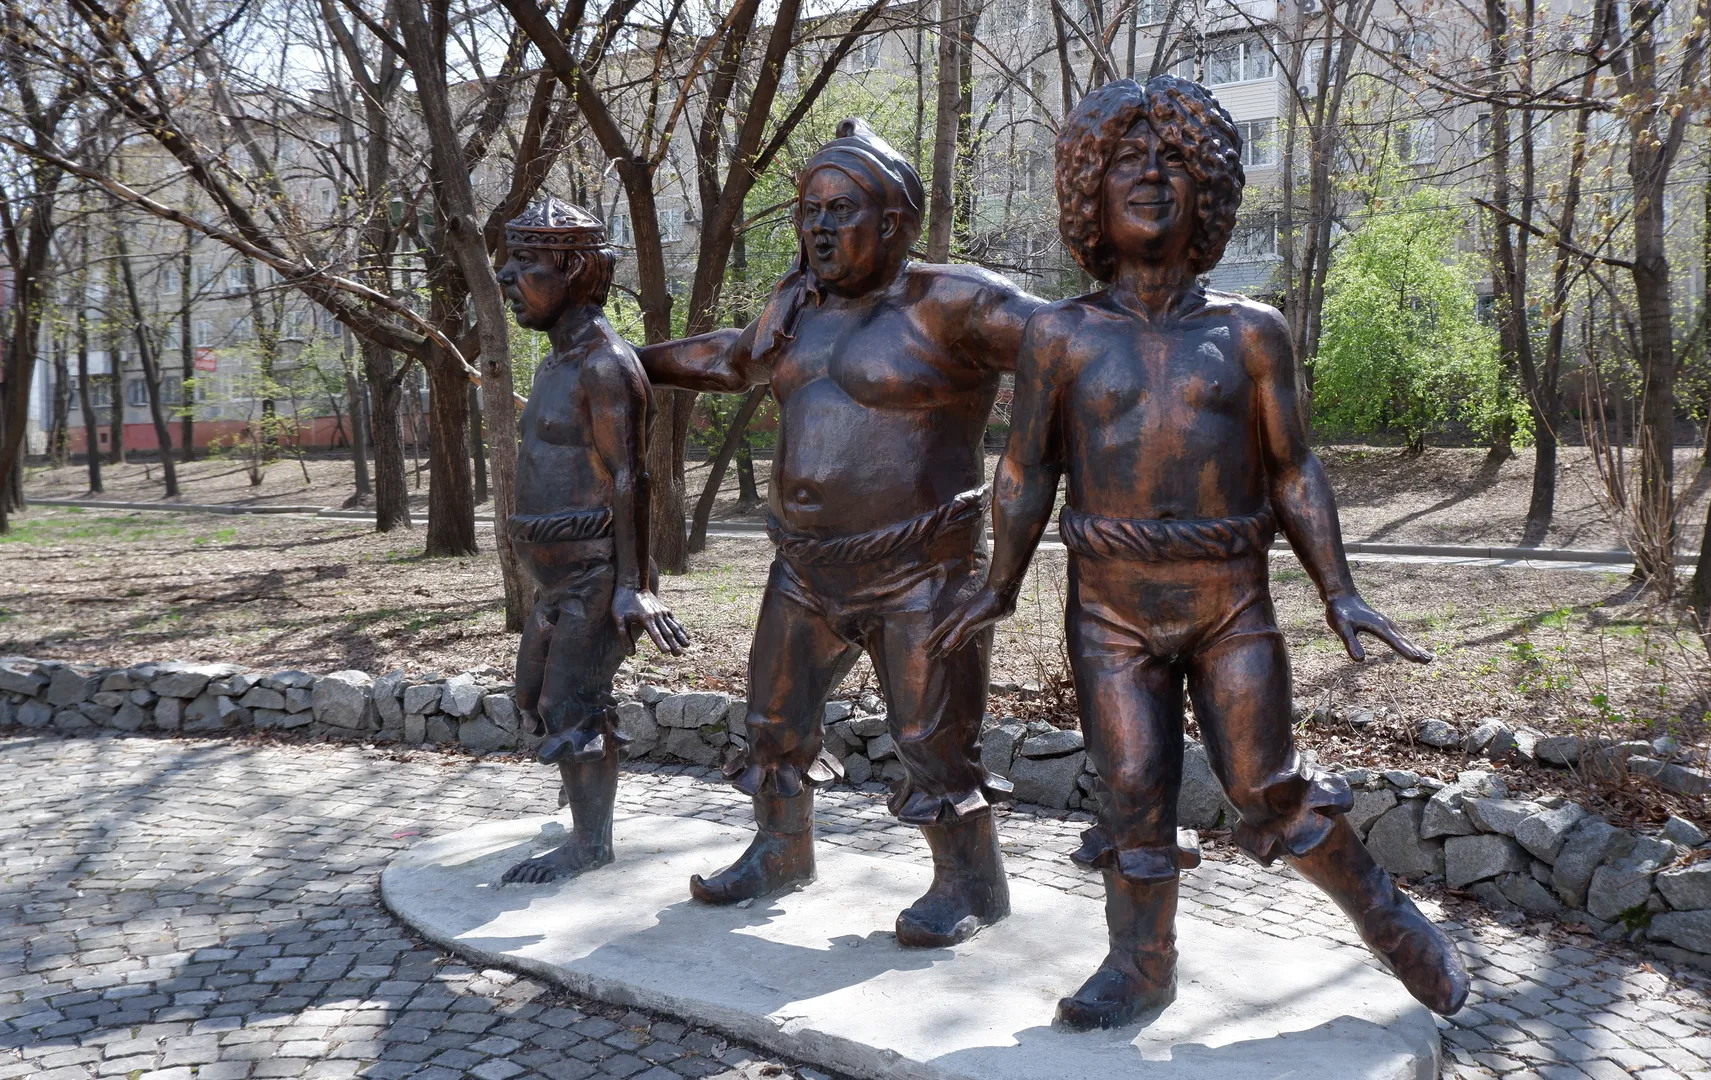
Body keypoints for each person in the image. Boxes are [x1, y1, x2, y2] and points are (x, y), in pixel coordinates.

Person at [928, 76, 1469, 1028]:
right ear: (1088, 192)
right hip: (1110, 607)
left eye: (1174, 159)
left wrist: (1338, 589)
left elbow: (1293, 467)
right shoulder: (1059, 335)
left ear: (1209, 189)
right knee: (1132, 791)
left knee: (1266, 783)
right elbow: (1025, 468)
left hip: (1229, 601)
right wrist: (998, 583)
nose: (1150, 175)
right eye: (1125, 161)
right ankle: (1141, 965)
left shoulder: (1250, 332)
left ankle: (1391, 922)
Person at [636, 119, 1047, 947]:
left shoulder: (953, 301)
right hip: (804, 567)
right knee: (772, 720)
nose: (818, 227)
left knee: (931, 737)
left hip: (923, 570)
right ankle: (780, 850)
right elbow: (728, 360)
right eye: (808, 211)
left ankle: (970, 884)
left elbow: (1071, 343)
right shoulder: (798, 307)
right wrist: (631, 361)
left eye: (840, 210)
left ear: (893, 221)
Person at [495, 196, 689, 884]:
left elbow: (632, 476)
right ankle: (582, 791)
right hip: (554, 580)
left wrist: (633, 586)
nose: (506, 275)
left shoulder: (605, 364)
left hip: (597, 575)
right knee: (530, 699)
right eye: (509, 259)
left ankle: (590, 843)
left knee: (569, 705)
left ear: (575, 270)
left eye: (526, 261)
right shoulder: (554, 364)